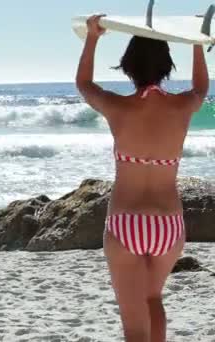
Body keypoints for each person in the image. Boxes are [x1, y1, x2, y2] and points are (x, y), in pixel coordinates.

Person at [75, 15, 209, 342]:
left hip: (126, 224)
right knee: (153, 300)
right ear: (166, 67)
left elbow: (84, 85)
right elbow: (202, 87)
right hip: (168, 226)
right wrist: (196, 42)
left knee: (134, 328)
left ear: (127, 67)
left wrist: (93, 37)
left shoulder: (118, 108)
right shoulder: (183, 107)